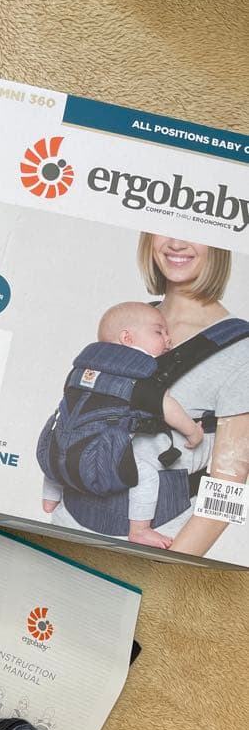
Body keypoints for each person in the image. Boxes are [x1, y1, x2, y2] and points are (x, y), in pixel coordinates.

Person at [50, 235, 249, 558]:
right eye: (166, 228)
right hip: (65, 521)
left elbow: (228, 487)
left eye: (195, 232)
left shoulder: (241, 348)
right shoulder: (126, 320)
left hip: (153, 543)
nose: (177, 243)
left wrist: (166, 567)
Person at [43, 301, 205, 549]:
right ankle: (140, 530)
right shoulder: (137, 378)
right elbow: (167, 407)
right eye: (159, 332)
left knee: (60, 448)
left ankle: (49, 499)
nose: (168, 339)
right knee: (146, 475)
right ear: (127, 338)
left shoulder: (79, 371)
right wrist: (193, 432)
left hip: (57, 454)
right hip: (101, 456)